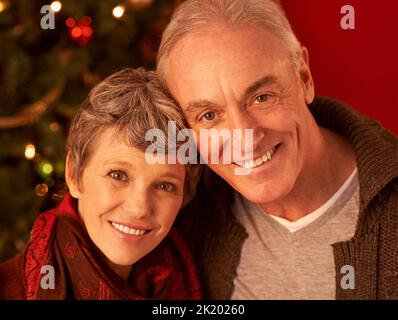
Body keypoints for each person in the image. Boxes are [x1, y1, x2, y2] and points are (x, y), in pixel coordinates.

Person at [156, 0, 398, 299]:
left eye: (262, 97)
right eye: (208, 116)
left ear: (304, 78)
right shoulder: (186, 211)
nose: (245, 137)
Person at [0, 68, 202, 300]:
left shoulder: (197, 274)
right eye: (118, 175)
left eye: (165, 186)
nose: (139, 208)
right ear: (74, 174)